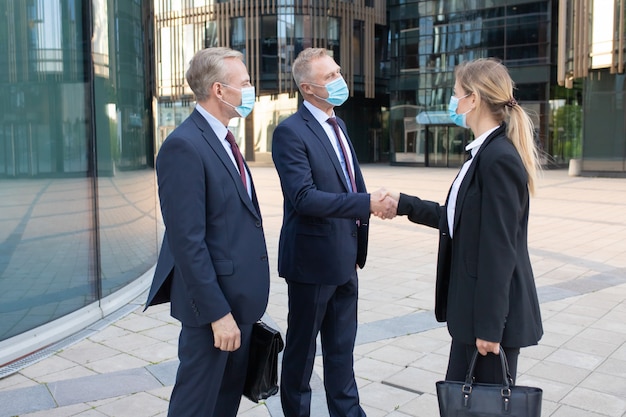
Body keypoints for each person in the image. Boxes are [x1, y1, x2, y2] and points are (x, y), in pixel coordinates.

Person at [385, 58, 543, 383]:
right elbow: (457, 219)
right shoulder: (483, 153)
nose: (453, 100)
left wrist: (489, 327)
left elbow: (500, 249)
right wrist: (405, 204)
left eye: (456, 93)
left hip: (487, 322)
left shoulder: (498, 158)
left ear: (474, 98)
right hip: (473, 313)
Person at [144, 47, 270, 417]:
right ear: (219, 90)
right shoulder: (184, 146)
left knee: (224, 405)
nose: (250, 90)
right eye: (244, 83)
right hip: (214, 313)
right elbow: (187, 243)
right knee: (196, 407)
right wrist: (218, 314)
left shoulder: (223, 139)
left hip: (240, 304)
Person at [272, 48, 395, 417]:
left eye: (338, 72)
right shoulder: (289, 133)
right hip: (311, 265)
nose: (339, 80)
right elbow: (304, 197)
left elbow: (348, 182)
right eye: (330, 77)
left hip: (345, 259)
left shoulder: (338, 125)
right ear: (308, 88)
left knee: (342, 353)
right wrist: (365, 204)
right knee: (301, 355)